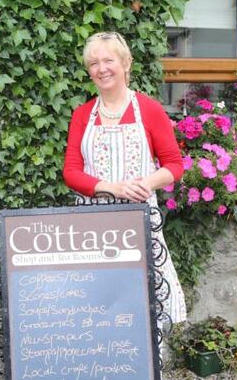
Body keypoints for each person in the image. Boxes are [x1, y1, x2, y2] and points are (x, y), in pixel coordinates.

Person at [62, 31, 187, 324]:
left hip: (138, 219)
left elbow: (174, 165)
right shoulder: (82, 115)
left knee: (143, 291)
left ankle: (148, 360)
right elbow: (71, 172)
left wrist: (147, 183)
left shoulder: (149, 110)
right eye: (93, 63)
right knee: (95, 293)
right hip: (92, 225)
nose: (101, 68)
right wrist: (111, 188)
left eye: (108, 60)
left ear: (126, 64)